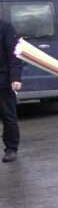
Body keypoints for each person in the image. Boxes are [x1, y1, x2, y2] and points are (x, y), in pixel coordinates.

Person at [1, 16, 22, 163]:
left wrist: (15, 78)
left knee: (8, 116)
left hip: (3, 81)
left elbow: (14, 54)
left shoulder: (5, 28)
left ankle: (11, 149)